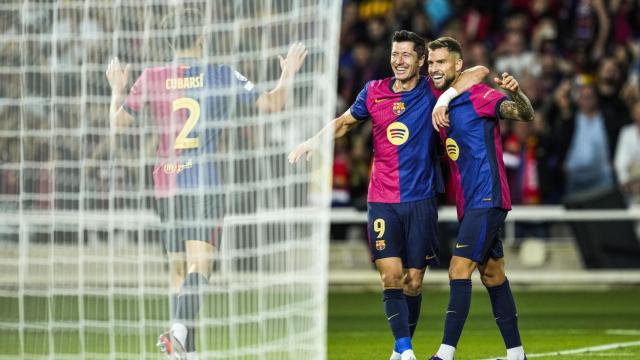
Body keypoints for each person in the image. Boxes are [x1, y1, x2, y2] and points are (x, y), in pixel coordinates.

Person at [105, 8, 307, 359]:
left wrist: (116, 89)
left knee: (178, 270)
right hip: (203, 181)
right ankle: (180, 334)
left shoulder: (151, 76)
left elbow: (117, 124)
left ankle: (184, 352)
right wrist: (287, 73)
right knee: (202, 266)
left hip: (165, 180)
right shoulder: (220, 74)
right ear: (200, 36)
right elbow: (274, 103)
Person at [288, 30, 488, 360]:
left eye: (407, 55)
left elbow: (478, 73)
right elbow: (343, 123)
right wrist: (311, 141)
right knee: (391, 277)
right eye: (395, 55)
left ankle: (399, 351)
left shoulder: (430, 89)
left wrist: (444, 98)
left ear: (421, 60)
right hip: (382, 200)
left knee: (413, 282)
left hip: (421, 200)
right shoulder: (374, 91)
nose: (399, 61)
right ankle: (407, 351)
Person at [425, 37, 534, 360]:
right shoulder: (437, 100)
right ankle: (517, 355)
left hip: (488, 196)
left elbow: (523, 113)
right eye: (431, 63)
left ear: (457, 64)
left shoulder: (480, 95)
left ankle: (444, 354)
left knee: (458, 270)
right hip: (469, 203)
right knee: (492, 274)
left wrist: (516, 92)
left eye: (441, 62)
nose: (434, 69)